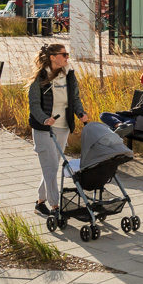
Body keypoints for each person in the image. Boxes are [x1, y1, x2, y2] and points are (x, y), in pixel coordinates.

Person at [29, 42, 87, 217]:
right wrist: (45, 119)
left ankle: (40, 202)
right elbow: (34, 105)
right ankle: (55, 206)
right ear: (53, 57)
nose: (67, 57)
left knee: (52, 167)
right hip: (43, 129)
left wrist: (80, 113)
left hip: (63, 127)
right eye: (64, 54)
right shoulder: (39, 78)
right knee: (50, 167)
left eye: (67, 54)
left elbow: (74, 98)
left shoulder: (69, 75)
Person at [102, 66, 143, 138]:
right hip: (136, 117)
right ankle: (120, 126)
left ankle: (122, 128)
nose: (142, 85)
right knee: (104, 115)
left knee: (129, 120)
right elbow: (138, 111)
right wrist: (126, 113)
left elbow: (142, 110)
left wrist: (126, 113)